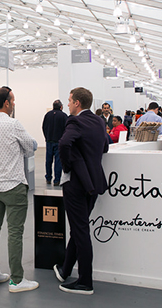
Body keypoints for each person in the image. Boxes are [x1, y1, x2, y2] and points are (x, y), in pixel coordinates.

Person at [0, 86, 38, 293]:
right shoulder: (14, 124)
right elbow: (30, 147)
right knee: (15, 232)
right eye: (13, 100)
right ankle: (16, 280)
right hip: (13, 185)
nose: (14, 103)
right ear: (6, 103)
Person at [53, 87, 108, 295]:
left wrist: (67, 166)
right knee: (80, 227)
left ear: (77, 103)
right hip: (94, 182)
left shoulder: (74, 121)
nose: (67, 104)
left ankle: (85, 281)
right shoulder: (99, 121)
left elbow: (64, 143)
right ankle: (65, 269)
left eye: (69, 101)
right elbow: (104, 147)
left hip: (76, 183)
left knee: (80, 230)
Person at [42, 99, 68, 186]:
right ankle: (57, 180)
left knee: (48, 161)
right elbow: (66, 129)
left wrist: (47, 137)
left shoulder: (47, 115)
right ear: (61, 107)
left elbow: (44, 127)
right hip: (59, 141)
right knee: (58, 162)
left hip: (49, 141)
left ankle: (48, 178)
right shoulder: (64, 116)